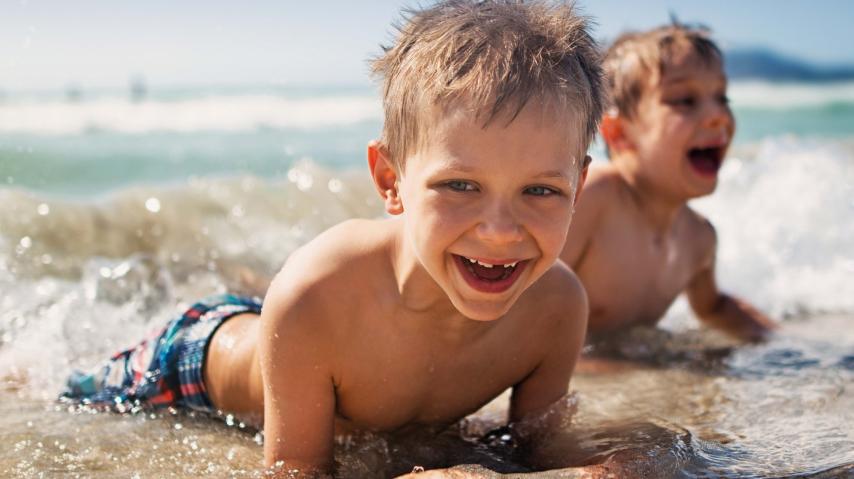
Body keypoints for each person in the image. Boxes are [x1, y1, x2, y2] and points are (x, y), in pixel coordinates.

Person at [63, 1, 605, 475]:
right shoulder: (317, 293)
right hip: (186, 365)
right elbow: (294, 471)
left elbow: (534, 450)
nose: (499, 231)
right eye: (459, 185)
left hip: (302, 344)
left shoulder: (556, 310)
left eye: (539, 190)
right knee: (65, 399)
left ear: (578, 185)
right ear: (390, 181)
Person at [560, 23, 776, 343]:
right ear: (620, 134)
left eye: (722, 97)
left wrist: (779, 342)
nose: (718, 115)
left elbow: (712, 308)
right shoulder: (595, 201)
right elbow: (527, 305)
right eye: (685, 100)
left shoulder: (699, 238)